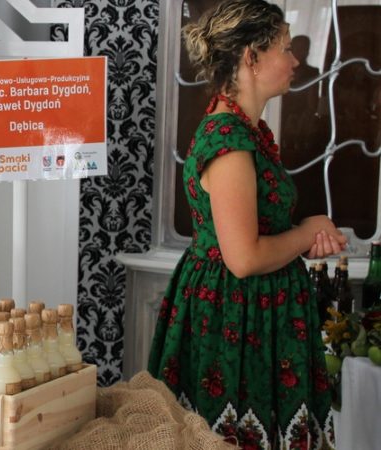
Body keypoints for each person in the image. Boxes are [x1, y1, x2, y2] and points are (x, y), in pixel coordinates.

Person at [147, 1, 346, 448]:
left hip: (255, 312)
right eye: (285, 48)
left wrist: (301, 238)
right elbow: (243, 258)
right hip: (236, 317)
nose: (295, 60)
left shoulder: (246, 132)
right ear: (251, 57)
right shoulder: (229, 141)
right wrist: (307, 232)